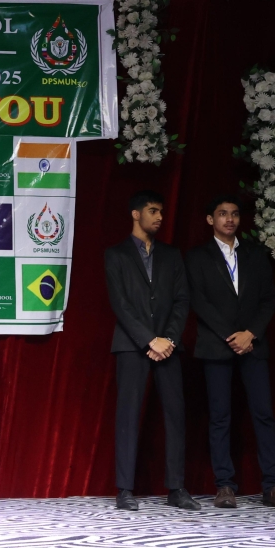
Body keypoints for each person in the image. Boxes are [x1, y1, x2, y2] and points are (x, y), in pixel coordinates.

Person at [104, 190, 199, 511]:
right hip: (132, 345)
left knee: (175, 414)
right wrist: (149, 340)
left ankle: (177, 487)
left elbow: (182, 300)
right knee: (128, 415)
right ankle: (124, 489)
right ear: (136, 214)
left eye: (161, 211)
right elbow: (120, 304)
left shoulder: (172, 255)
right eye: (153, 211)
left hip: (169, 346)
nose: (160, 217)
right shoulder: (115, 254)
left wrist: (167, 339)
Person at [186, 194, 275, 508]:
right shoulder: (197, 256)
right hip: (217, 345)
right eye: (223, 213)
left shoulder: (256, 254)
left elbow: (268, 299)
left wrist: (250, 333)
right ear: (210, 219)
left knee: (264, 414)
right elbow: (198, 301)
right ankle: (224, 485)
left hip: (253, 343)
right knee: (220, 416)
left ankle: (271, 485)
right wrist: (230, 335)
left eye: (235, 214)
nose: (230, 219)